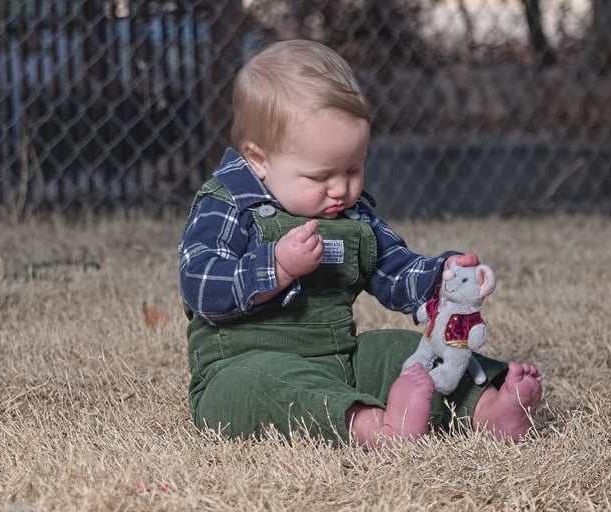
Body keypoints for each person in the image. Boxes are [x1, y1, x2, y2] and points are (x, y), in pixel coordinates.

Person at [178, 39, 542, 447]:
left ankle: (487, 408)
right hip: (240, 366)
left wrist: (442, 277)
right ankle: (375, 426)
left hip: (341, 360)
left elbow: (395, 269)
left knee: (403, 350)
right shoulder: (229, 205)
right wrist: (275, 267)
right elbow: (199, 283)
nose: (341, 189)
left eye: (353, 168)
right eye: (320, 177)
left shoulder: (351, 216)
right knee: (268, 386)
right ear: (258, 160)